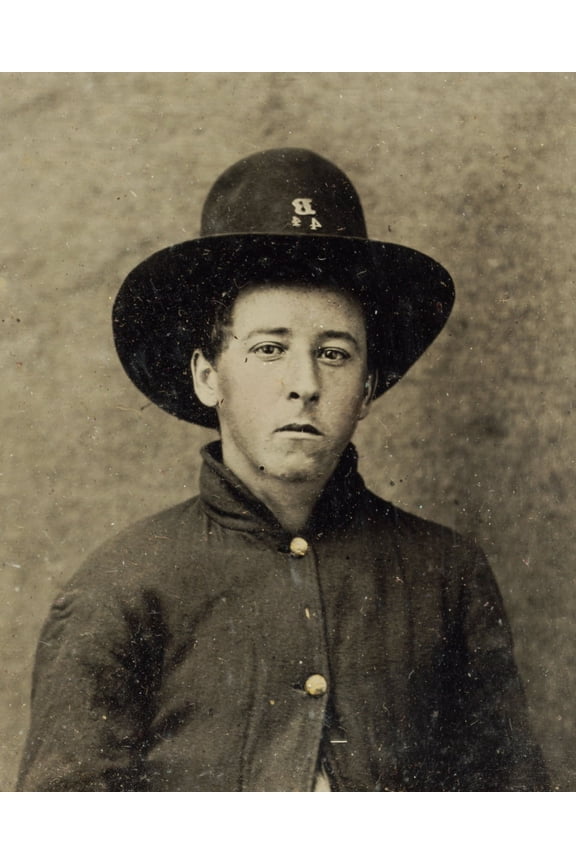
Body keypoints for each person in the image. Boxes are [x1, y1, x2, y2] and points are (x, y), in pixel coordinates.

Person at [17, 148, 549, 792]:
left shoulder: (446, 577)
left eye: (334, 353)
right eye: (269, 349)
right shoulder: (122, 591)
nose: (305, 383)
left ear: (369, 387)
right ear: (209, 375)